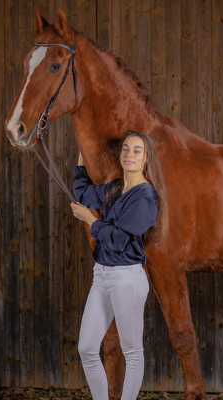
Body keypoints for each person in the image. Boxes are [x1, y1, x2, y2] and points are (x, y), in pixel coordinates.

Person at [70, 130, 168, 400]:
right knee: (87, 347)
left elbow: (117, 240)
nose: (129, 155)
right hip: (101, 276)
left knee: (132, 350)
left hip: (127, 278)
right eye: (125, 149)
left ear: (146, 158)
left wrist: (91, 220)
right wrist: (81, 160)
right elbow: (84, 193)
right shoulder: (115, 188)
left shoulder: (146, 197)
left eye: (137, 150)